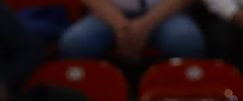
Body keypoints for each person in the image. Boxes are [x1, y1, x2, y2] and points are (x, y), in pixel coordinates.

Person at [57, 0, 205, 62]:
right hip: (108, 15)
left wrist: (146, 24)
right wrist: (120, 25)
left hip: (164, 14)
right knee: (75, 43)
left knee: (187, 41)